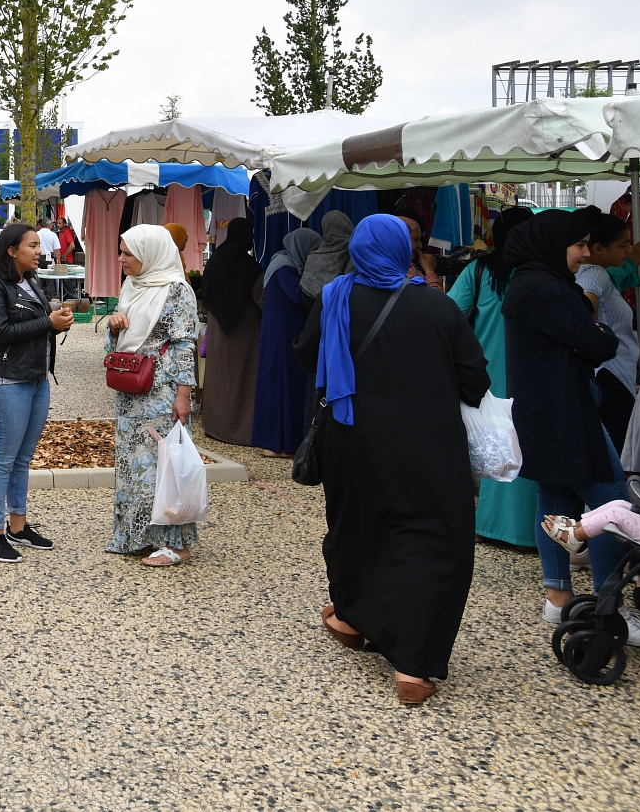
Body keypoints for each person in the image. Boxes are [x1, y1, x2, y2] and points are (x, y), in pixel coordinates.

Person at [293, 214, 490, 705]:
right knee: (430, 539)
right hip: (426, 447)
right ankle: (413, 666)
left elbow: (304, 356)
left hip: (351, 438)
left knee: (357, 526)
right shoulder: (437, 307)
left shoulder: (334, 298)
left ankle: (350, 617)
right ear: (404, 250)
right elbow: (476, 381)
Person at [503, 210, 640, 646]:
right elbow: (599, 343)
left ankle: (557, 595)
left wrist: (590, 331)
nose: (585, 254)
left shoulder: (530, 282)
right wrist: (598, 330)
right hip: (566, 410)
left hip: (545, 411)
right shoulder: (547, 290)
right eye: (579, 245)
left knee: (555, 499)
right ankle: (614, 608)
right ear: (554, 245)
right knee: (612, 500)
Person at [0, 222, 74, 563]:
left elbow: (38, 322)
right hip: (5, 381)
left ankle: (18, 526)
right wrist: (49, 322)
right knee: (3, 458)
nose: (39, 250)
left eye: (38, 245)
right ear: (11, 250)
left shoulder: (32, 281)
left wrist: (57, 315)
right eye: (32, 245)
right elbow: (0, 331)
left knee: (22, 458)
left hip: (35, 380)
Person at [104, 225, 199, 567]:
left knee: (161, 467)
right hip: (131, 390)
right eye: (122, 252)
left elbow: (185, 344)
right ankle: (136, 536)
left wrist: (184, 395)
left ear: (150, 253)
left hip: (161, 394)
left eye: (128, 253)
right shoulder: (132, 285)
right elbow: (117, 338)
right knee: (133, 466)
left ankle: (175, 545)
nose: (121, 259)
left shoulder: (177, 291)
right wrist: (114, 326)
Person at [448, 206, 538, 545]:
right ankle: (533, 529)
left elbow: (451, 312)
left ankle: (492, 524)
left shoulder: (481, 270)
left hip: (488, 371)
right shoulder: (542, 271)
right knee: (530, 442)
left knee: (495, 442)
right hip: (532, 370)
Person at [250, 228, 320, 458]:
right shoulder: (285, 267)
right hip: (282, 337)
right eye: (312, 249)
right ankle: (277, 443)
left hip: (282, 335)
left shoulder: (285, 263)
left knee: (282, 385)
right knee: (281, 386)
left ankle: (279, 442)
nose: (313, 254)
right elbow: (298, 296)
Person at [577, 209, 640, 453]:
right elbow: (587, 301)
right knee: (617, 457)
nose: (629, 250)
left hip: (613, 376)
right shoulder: (595, 273)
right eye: (623, 245)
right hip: (610, 376)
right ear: (599, 249)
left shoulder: (594, 274)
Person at [200, 217, 264, 446]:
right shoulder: (250, 266)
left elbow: (205, 294)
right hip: (243, 331)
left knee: (218, 376)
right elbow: (262, 299)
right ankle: (238, 431)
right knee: (242, 379)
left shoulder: (216, 259)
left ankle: (214, 426)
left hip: (218, 329)